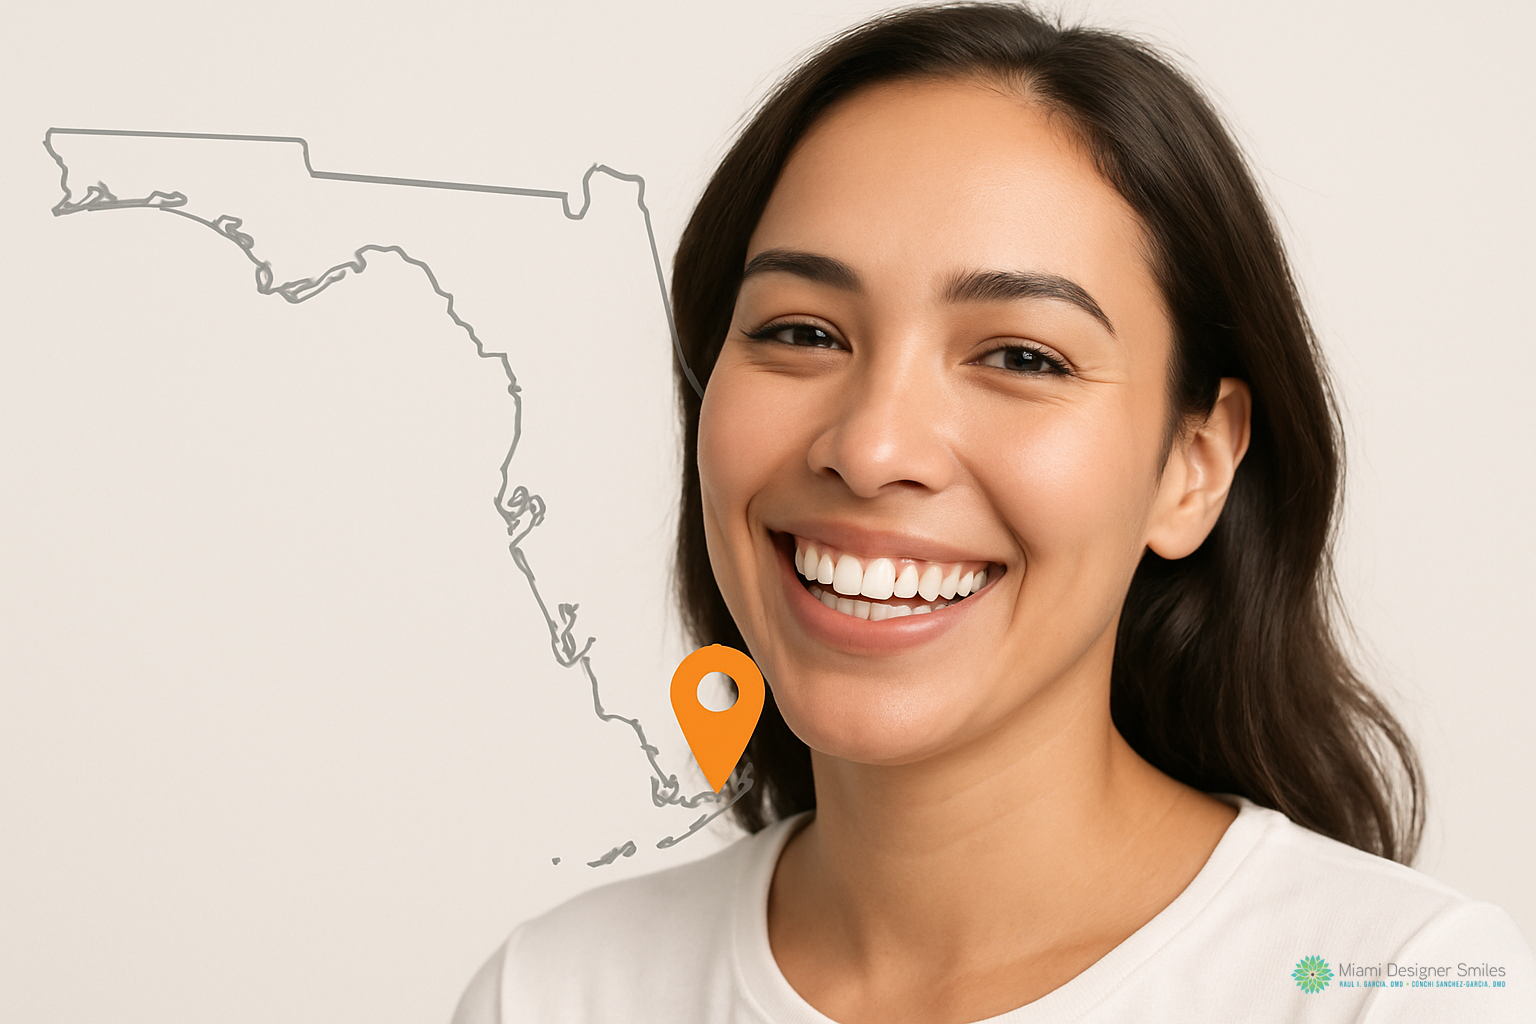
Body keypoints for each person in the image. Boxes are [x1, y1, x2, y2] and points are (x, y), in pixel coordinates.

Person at [452, 4, 1536, 1021]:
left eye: (1022, 355)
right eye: (801, 332)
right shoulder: (556, 991)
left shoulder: (1401, 990)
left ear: (1193, 464)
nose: (872, 449)